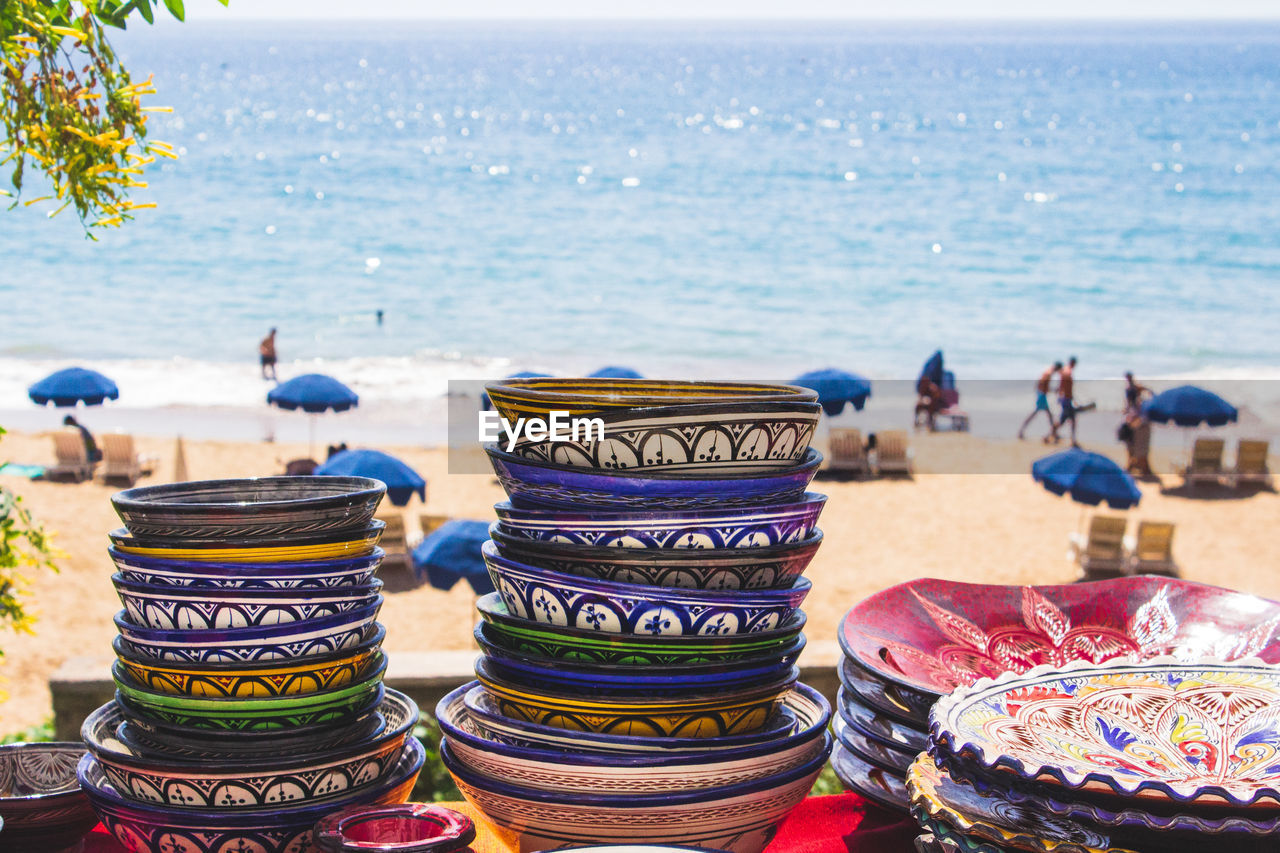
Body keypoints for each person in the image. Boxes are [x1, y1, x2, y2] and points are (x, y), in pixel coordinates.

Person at [1120, 372, 1153, 476]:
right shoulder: (1130, 388)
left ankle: (1136, 466)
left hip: (1135, 418)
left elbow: (1148, 391)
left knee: (1136, 445)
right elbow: (1128, 403)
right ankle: (1132, 465)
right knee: (1131, 444)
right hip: (1132, 416)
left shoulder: (1135, 387)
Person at [1018, 362, 1061, 441]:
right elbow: (1043, 386)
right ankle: (1021, 431)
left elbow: (1040, 384)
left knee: (1048, 415)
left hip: (1041, 395)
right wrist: (1052, 390)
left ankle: (1054, 433)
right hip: (1042, 396)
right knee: (1037, 414)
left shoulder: (1047, 372)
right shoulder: (1049, 373)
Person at [1055, 356, 1079, 447]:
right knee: (1064, 421)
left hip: (1067, 399)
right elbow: (1063, 387)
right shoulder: (1067, 372)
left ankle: (1073, 440)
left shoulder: (1066, 371)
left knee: (1071, 420)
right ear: (1073, 363)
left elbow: (1062, 387)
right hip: (1066, 400)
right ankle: (1051, 434)